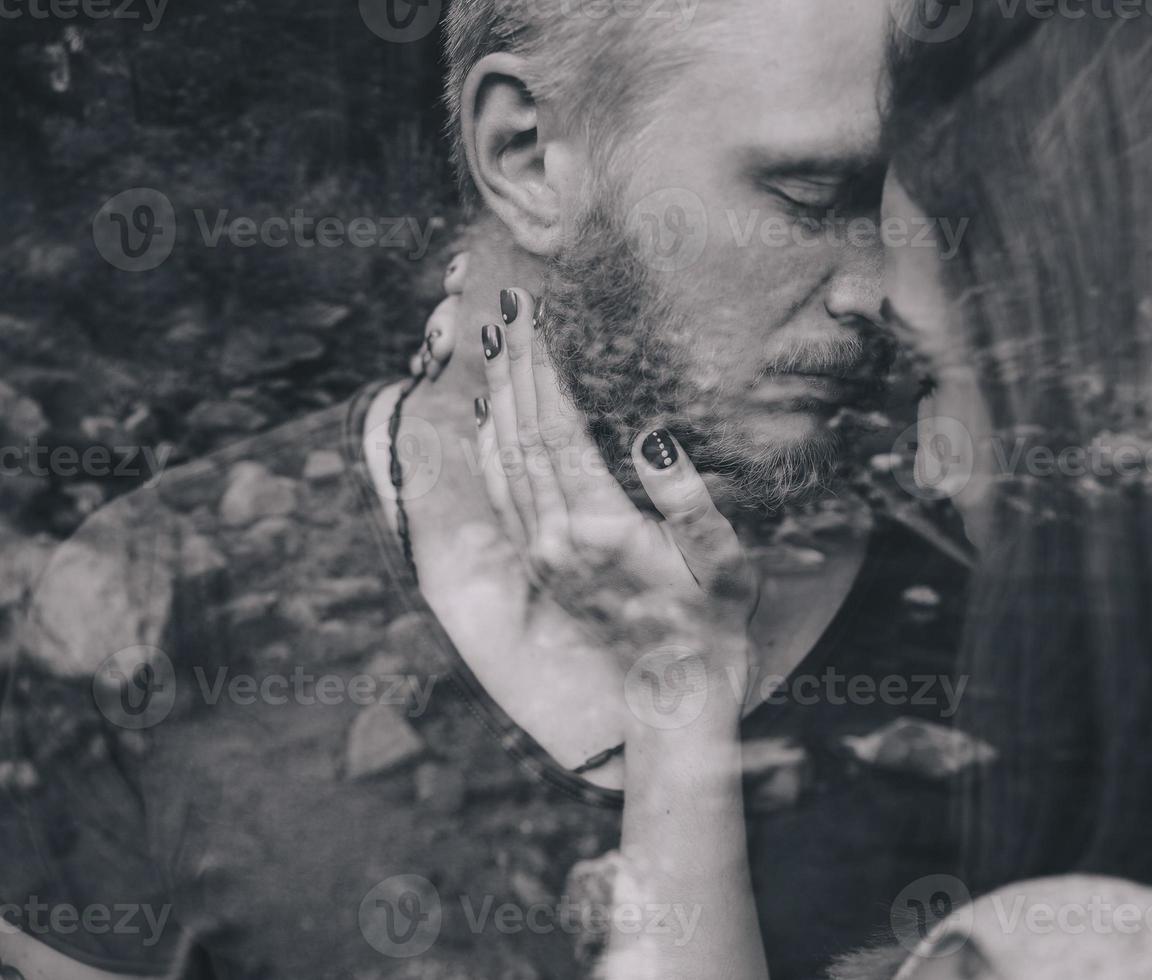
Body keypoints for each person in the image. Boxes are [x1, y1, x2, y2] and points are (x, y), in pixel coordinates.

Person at [485, 1, 1152, 977]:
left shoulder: (1059, 955)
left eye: (940, 371)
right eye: (804, 194)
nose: (932, 464)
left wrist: (675, 705)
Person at [0, 2, 974, 978]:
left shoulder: (994, 630)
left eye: (913, 209)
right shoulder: (165, 606)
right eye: (811, 193)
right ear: (527, 154)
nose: (879, 287)